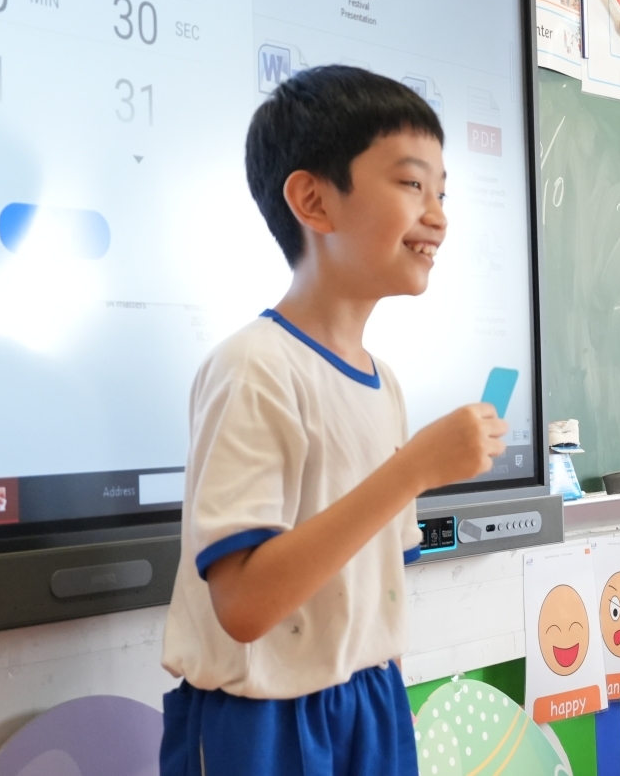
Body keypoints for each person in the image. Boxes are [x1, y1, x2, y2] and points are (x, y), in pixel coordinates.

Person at [159, 66, 508, 775]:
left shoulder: (385, 384)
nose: (438, 216)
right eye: (411, 184)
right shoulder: (254, 367)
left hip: (369, 702)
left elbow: (371, 593)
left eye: (442, 192)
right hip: (264, 723)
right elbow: (244, 605)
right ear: (313, 201)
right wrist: (413, 469)